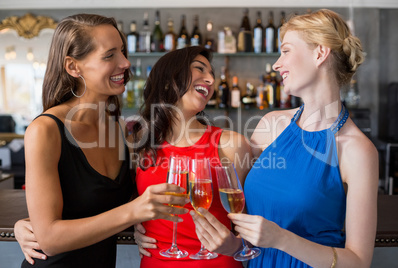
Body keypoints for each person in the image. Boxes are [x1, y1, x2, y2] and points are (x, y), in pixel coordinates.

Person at [190, 9, 378, 268]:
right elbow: (232, 207)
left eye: (286, 51)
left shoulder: (357, 150)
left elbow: (358, 262)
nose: (277, 63)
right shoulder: (271, 124)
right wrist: (154, 229)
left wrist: (281, 239)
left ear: (320, 53)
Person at [13, 13, 189, 267]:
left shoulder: (120, 129)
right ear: (73, 67)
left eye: (122, 52)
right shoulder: (45, 130)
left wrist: (140, 221)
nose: (126, 63)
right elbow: (49, 239)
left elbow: (101, 209)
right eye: (110, 56)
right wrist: (135, 211)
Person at [131, 46, 252, 267]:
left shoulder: (230, 145)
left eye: (212, 75)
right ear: (168, 81)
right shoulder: (141, 144)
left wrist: (237, 244)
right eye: (200, 69)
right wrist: (134, 227)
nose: (210, 80)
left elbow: (252, 225)